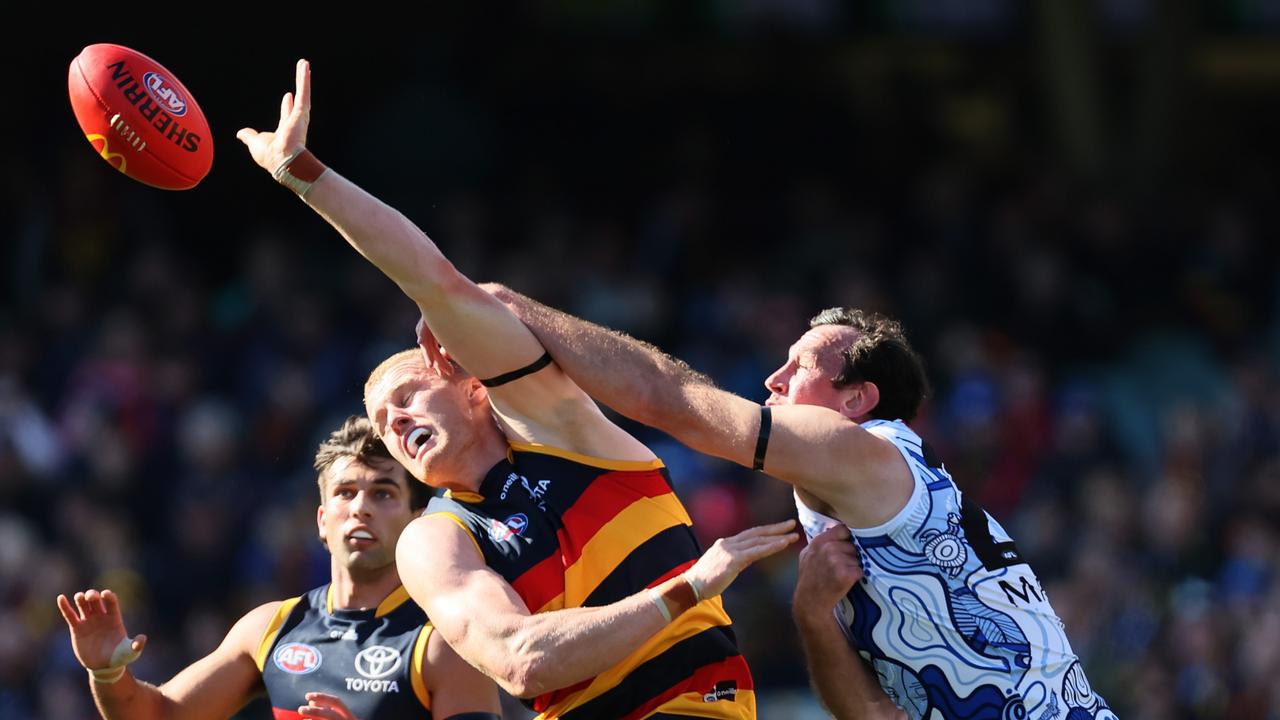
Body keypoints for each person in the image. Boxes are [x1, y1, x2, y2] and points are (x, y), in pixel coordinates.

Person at [236, 60, 798, 720]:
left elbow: (434, 281)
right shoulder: (434, 539)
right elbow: (520, 660)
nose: (394, 421)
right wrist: (688, 588)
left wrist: (306, 176)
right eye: (384, 421)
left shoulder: (561, 429)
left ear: (474, 389)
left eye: (409, 395)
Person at [480, 292, 1118, 719]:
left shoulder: (863, 451)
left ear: (855, 402)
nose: (772, 382)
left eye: (799, 366)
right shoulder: (847, 501)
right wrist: (814, 614)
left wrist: (512, 309)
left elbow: (666, 395)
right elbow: (866, 715)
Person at [57, 415, 501, 720]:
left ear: (416, 520)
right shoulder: (272, 627)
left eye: (383, 493)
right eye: (345, 493)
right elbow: (158, 715)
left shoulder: (447, 642)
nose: (360, 508)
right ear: (322, 521)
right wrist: (107, 673)